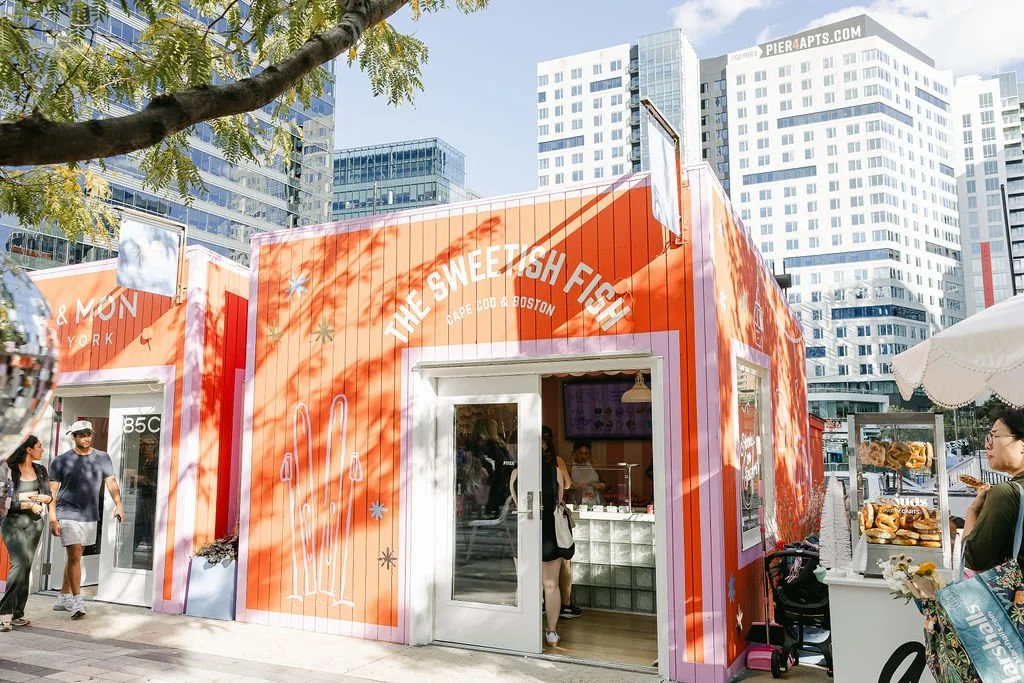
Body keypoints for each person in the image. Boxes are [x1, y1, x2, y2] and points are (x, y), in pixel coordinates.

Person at [49, 420, 125, 619]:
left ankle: (63, 596)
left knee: (76, 555)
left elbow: (111, 482)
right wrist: (52, 518)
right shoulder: (61, 460)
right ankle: (77, 601)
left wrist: (119, 504)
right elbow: (52, 493)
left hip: (90, 514)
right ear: (73, 436)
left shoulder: (102, 457)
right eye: (81, 434)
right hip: (67, 513)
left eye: (88, 434)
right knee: (74, 554)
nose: (86, 437)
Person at [962, 408, 1024, 572]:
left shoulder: (1007, 492)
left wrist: (973, 511)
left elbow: (973, 558)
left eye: (995, 436)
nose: (987, 444)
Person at [0, 436, 51, 631]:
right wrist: (27, 503)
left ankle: (17, 613)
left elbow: (48, 495)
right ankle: (3, 612)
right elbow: (4, 501)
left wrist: (43, 498)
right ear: (29, 449)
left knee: (27, 566)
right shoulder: (8, 470)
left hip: (35, 523)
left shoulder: (40, 470)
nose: (43, 450)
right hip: (12, 522)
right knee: (19, 563)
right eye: (39, 446)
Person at [540, 425, 581, 620]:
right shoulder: (556, 462)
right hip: (553, 518)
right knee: (563, 561)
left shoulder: (523, 463)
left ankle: (539, 603)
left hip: (532, 518)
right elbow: (567, 484)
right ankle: (565, 604)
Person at [470, 418, 514, 517]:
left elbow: (493, 473)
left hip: (490, 497)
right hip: (498, 495)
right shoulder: (500, 447)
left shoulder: (489, 449)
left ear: (481, 431)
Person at [569, 439, 606, 507]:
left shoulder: (594, 464)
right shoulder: (570, 466)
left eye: (586, 453)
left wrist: (600, 486)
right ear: (574, 452)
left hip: (596, 502)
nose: (583, 456)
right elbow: (565, 487)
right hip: (576, 502)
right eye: (580, 453)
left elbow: (607, 484)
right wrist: (572, 486)